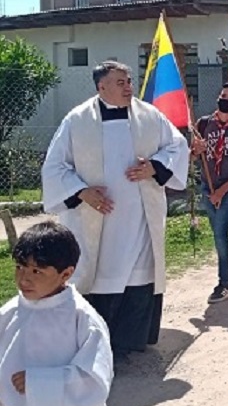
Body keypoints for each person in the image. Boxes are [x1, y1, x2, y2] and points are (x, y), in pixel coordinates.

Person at [41, 61, 189, 358]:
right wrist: (81, 191)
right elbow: (55, 167)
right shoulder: (77, 120)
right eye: (120, 82)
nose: (128, 87)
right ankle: (94, 345)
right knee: (98, 275)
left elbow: (177, 146)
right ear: (101, 87)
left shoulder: (149, 115)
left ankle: (131, 341)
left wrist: (154, 167)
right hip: (96, 220)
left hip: (139, 220)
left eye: (129, 81)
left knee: (138, 276)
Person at [0, 221, 113, 406]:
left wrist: (38, 383)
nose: (23, 279)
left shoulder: (83, 319)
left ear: (66, 274)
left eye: (37, 271)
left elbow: (94, 381)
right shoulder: (9, 312)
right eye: (20, 267)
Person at [191, 83, 228, 304]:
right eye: (222, 94)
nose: (225, 98)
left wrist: (222, 192)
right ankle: (226, 279)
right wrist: (196, 151)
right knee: (218, 233)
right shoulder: (204, 124)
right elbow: (194, 156)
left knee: (219, 232)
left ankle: (224, 282)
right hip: (208, 188)